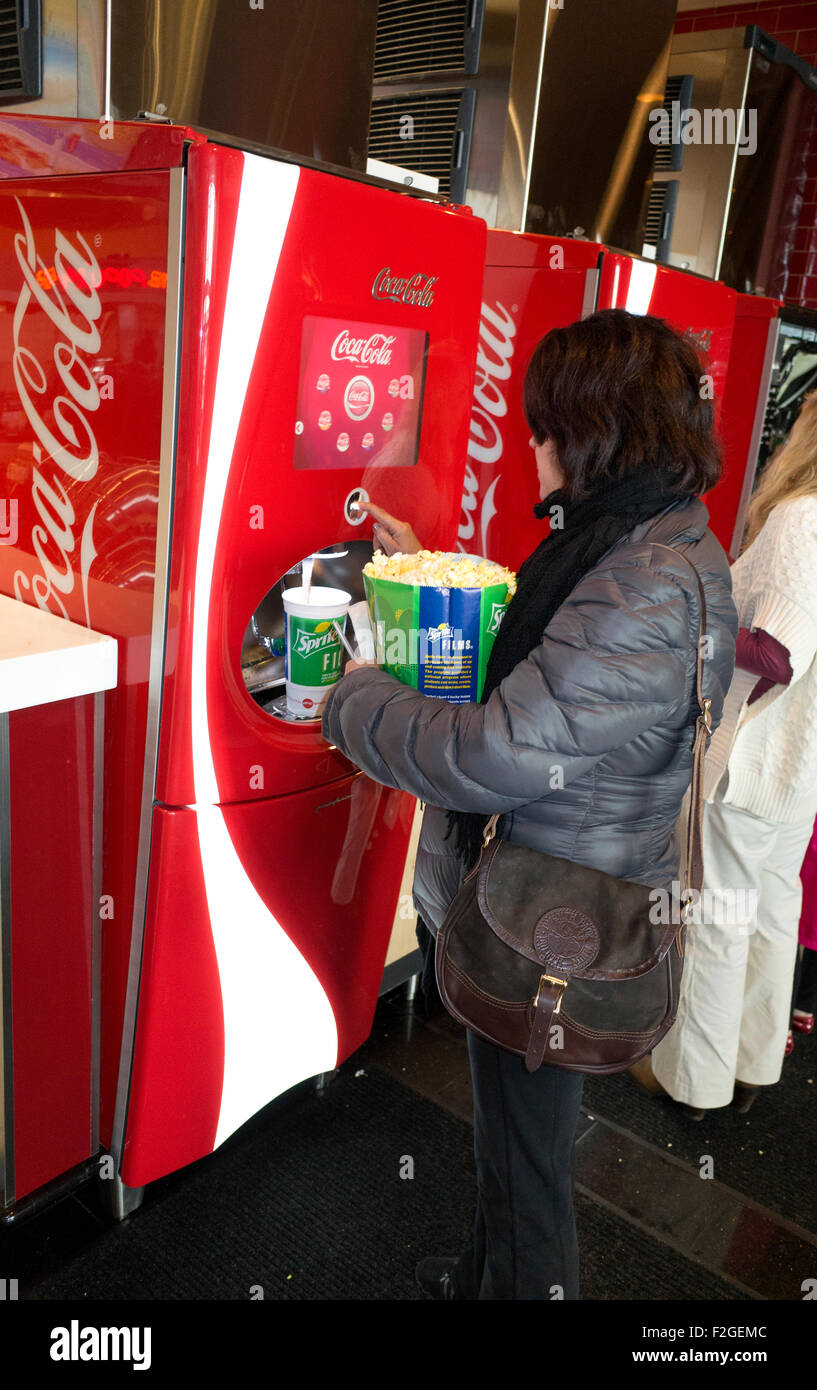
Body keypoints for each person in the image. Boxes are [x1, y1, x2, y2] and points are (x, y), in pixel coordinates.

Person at [322, 309, 737, 1300]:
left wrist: (351, 700)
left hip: (553, 922)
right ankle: (485, 1275)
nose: (531, 445)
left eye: (543, 425)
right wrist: (425, 570)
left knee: (532, 1164)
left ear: (593, 431)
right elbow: (553, 667)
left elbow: (498, 752)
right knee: (512, 1142)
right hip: (546, 892)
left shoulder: (645, 583)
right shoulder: (643, 538)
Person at [651, 391, 817, 1117]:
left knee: (716, 915)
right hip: (800, 768)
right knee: (773, 915)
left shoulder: (801, 517)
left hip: (753, 759)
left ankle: (695, 1086)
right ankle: (751, 1067)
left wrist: (697, 619)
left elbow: (777, 653)